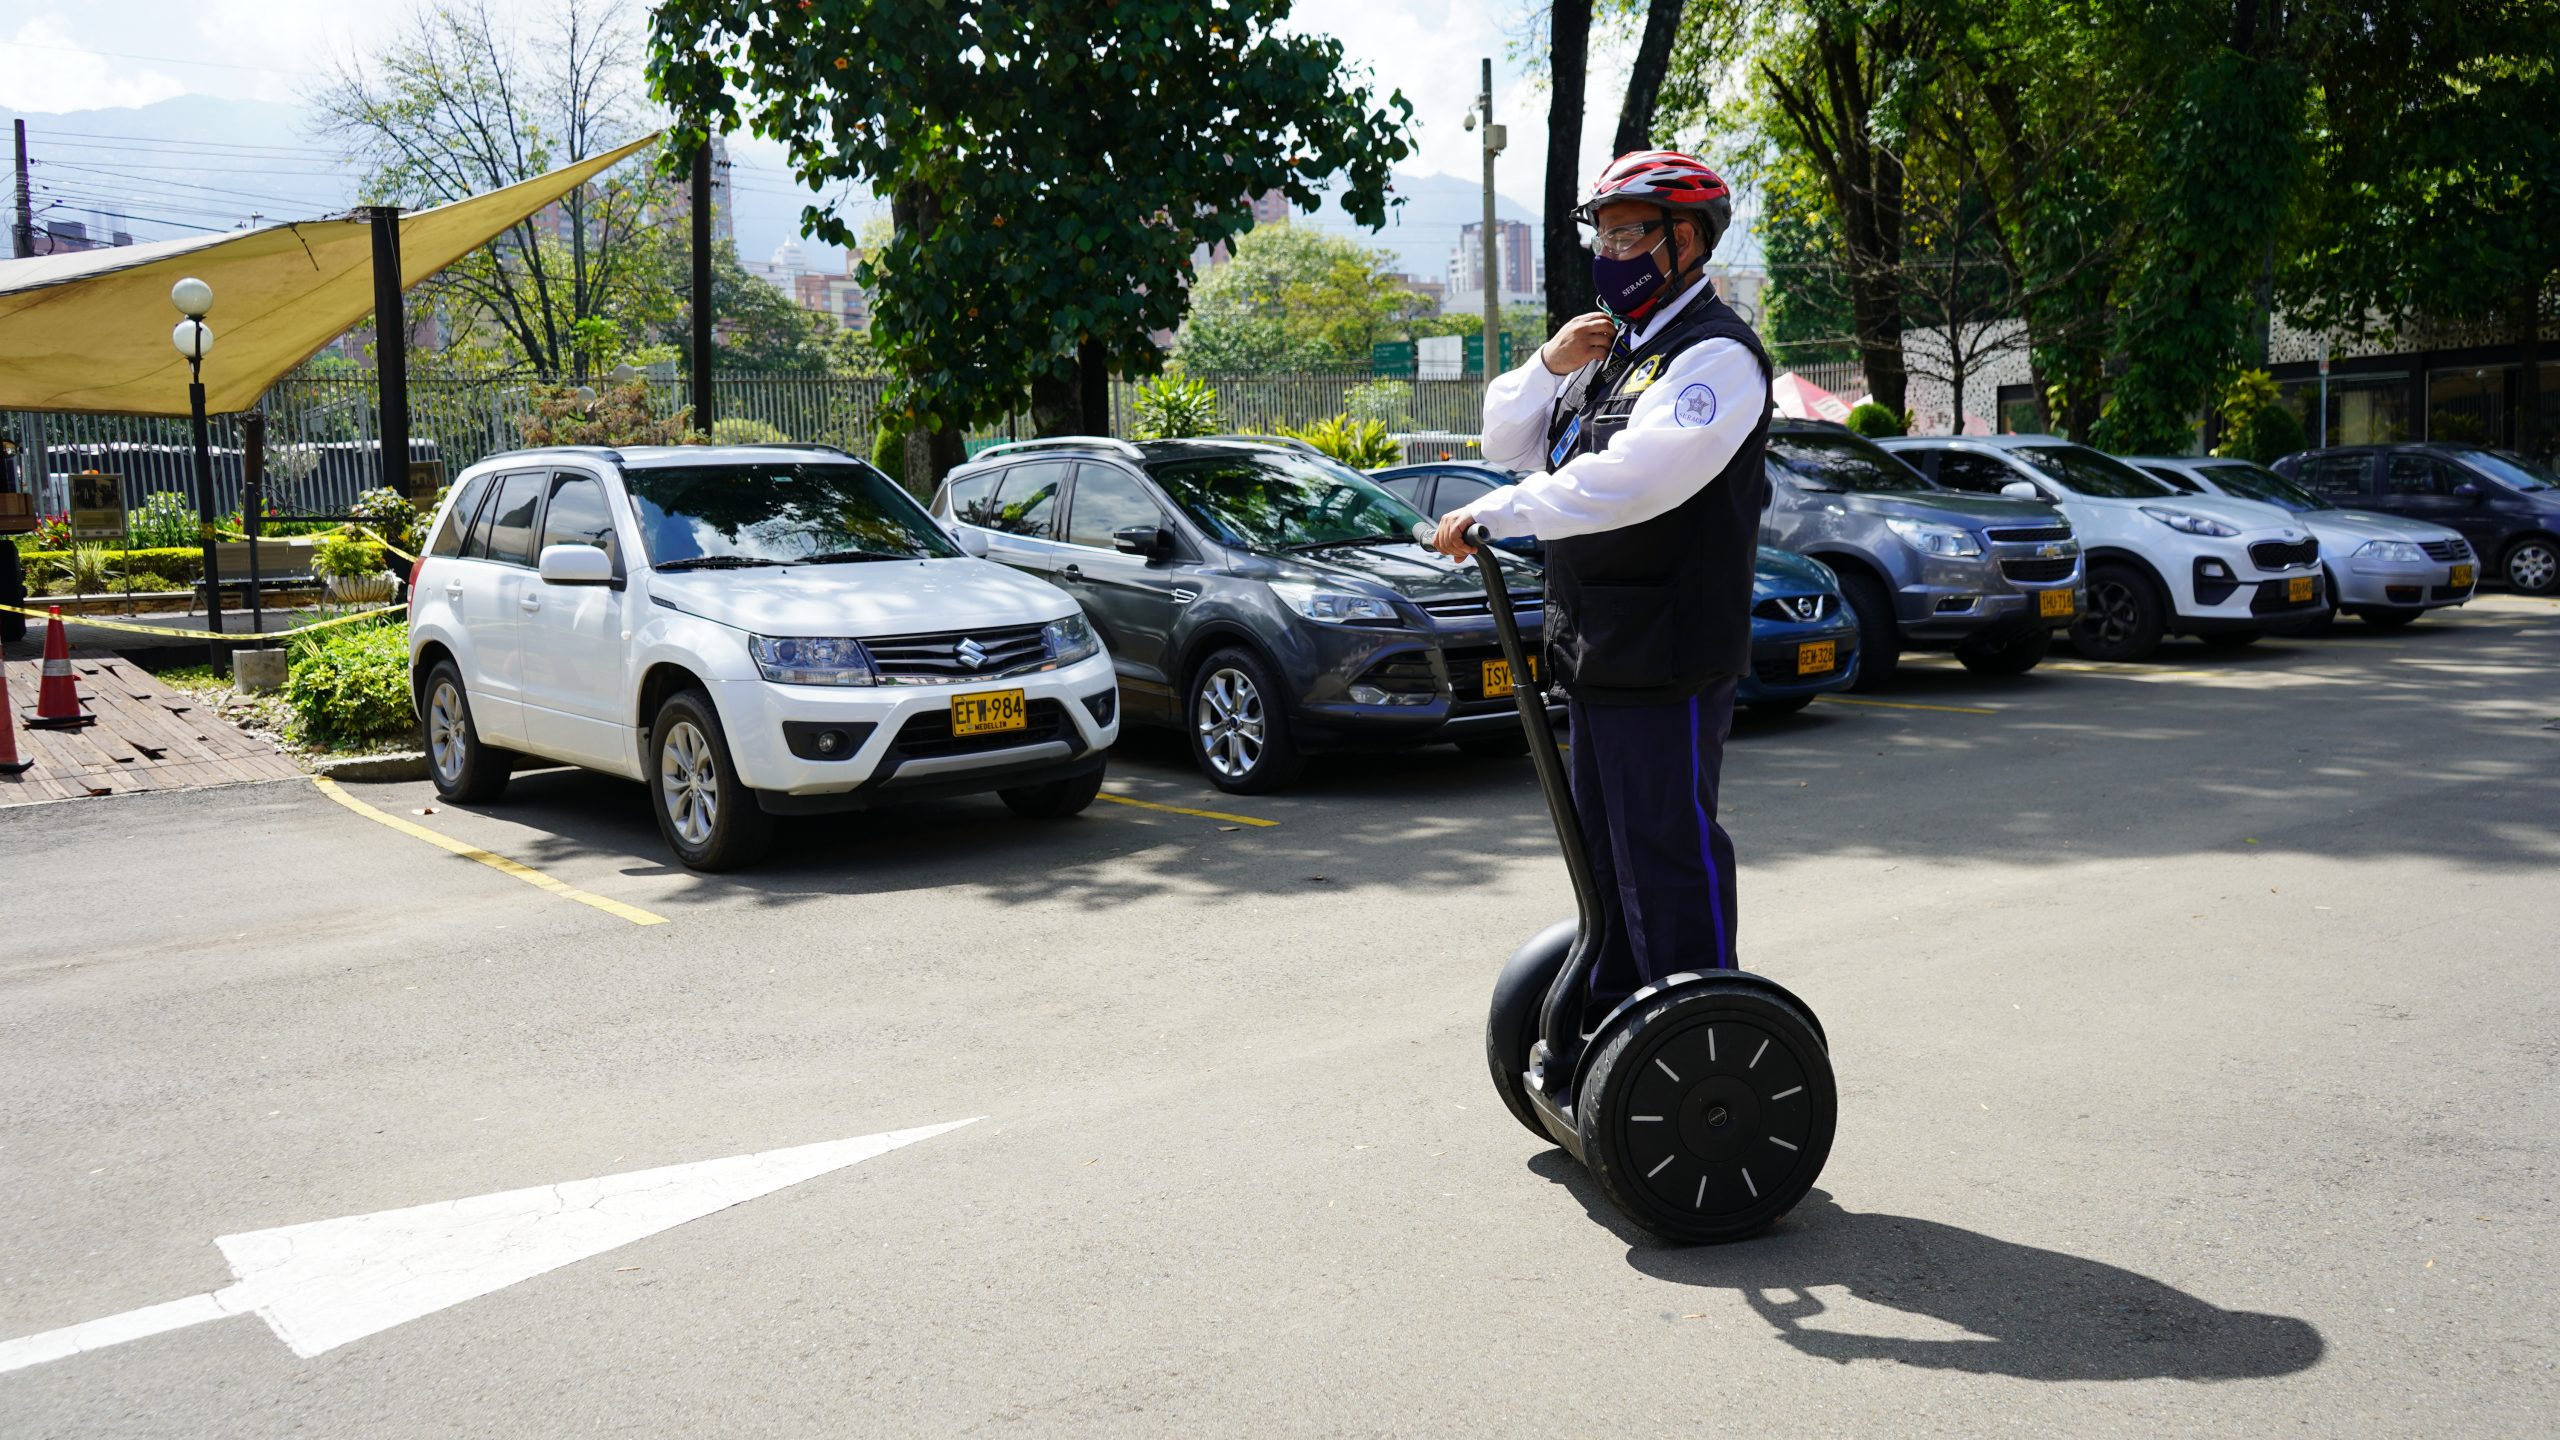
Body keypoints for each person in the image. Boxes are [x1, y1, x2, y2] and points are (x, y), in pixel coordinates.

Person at [1430, 149, 1772, 1015]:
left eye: (1628, 234)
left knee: (1662, 850)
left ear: (1684, 240)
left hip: (1669, 653)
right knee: (1604, 852)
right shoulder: (1614, 352)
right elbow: (1504, 442)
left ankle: (1696, 1033)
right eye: (1604, 235)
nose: (1610, 252)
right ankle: (1621, 1024)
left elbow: (1638, 480)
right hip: (1597, 646)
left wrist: (1497, 516)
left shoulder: (1714, 359)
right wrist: (1547, 363)